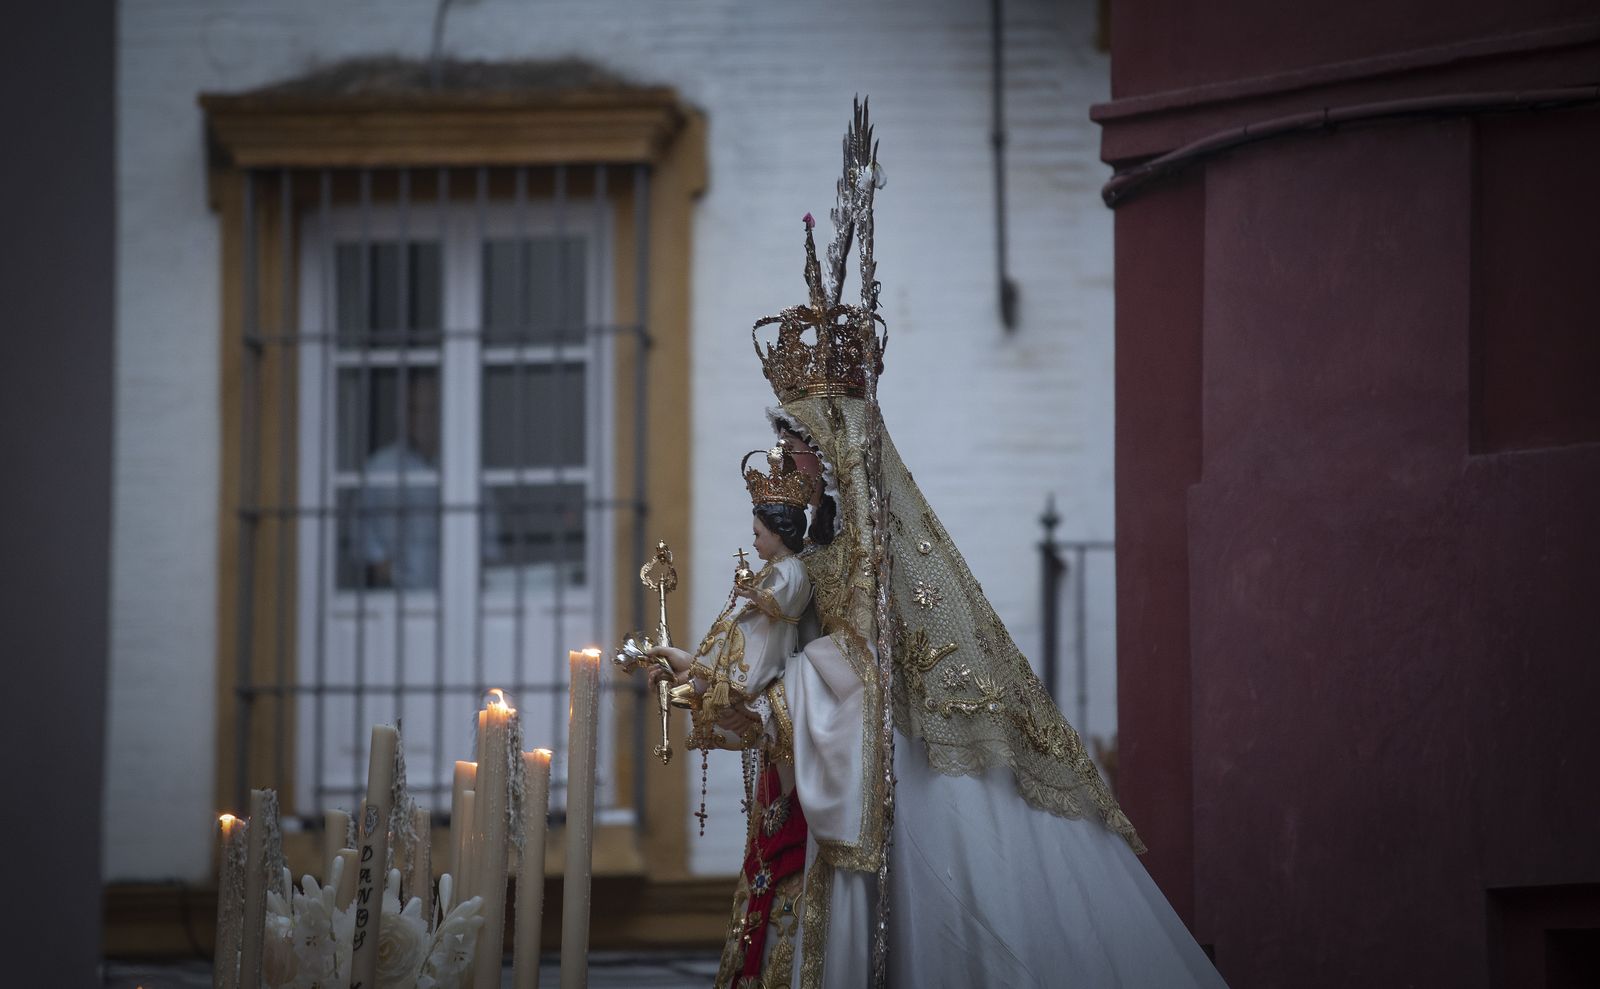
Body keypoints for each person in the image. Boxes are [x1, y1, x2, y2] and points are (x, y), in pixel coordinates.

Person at [649, 101, 1227, 987]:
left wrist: (773, 696)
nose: (786, 463)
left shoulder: (870, 558)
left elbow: (857, 673)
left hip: (890, 788)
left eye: (799, 446)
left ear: (833, 453)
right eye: (785, 445)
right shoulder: (814, 554)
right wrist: (724, 674)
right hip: (828, 785)